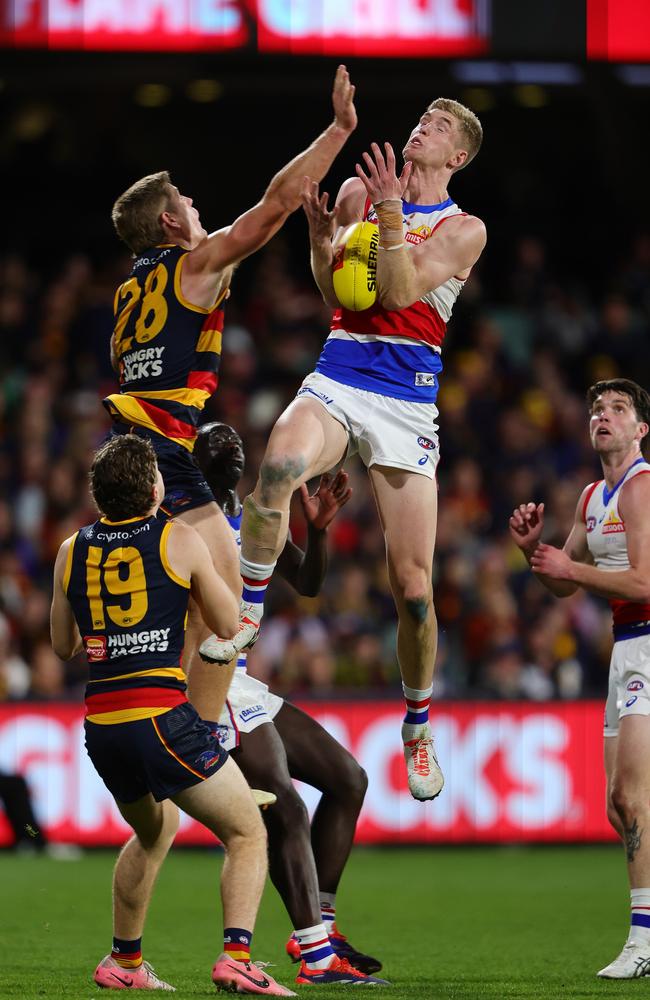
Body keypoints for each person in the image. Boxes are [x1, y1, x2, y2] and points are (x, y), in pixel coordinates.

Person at [200, 99, 487, 802]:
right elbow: (340, 291)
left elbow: (395, 288)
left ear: (458, 158)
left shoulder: (464, 229)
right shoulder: (360, 192)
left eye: (442, 128)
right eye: (425, 118)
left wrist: (388, 214)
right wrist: (318, 242)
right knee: (277, 467)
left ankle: (417, 724)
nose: (425, 127)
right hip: (340, 372)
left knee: (413, 590)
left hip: (405, 401)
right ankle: (247, 615)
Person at [104, 66, 357, 736]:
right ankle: (203, 740)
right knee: (228, 605)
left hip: (128, 449)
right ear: (168, 220)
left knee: (192, 604)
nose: (197, 207)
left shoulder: (131, 292)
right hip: (163, 447)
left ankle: (171, 722)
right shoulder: (193, 264)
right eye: (187, 201)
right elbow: (274, 205)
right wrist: (337, 132)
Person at [50, 434, 295, 995]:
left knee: (156, 830)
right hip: (161, 717)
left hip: (103, 726)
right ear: (156, 486)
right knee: (246, 833)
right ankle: (235, 958)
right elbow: (229, 625)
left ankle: (124, 963)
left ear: (99, 493)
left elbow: (63, 645)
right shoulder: (178, 539)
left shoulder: (71, 550)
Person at [194, 422, 388, 987]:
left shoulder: (258, 512)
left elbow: (305, 582)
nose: (231, 448)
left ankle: (322, 927)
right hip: (213, 679)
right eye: (215, 443)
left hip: (246, 680)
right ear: (195, 462)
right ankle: (315, 955)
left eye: (235, 442)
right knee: (286, 807)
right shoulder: (185, 523)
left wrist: (318, 532)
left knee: (349, 779)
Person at [509, 378, 650, 980]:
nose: (604, 415)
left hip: (648, 640)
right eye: (597, 408)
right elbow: (565, 581)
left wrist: (571, 569)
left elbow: (645, 583)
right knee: (619, 808)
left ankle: (643, 941)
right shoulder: (593, 495)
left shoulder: (642, 490)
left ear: (641, 428)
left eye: (619, 409)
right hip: (627, 649)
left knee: (632, 798)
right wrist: (534, 552)